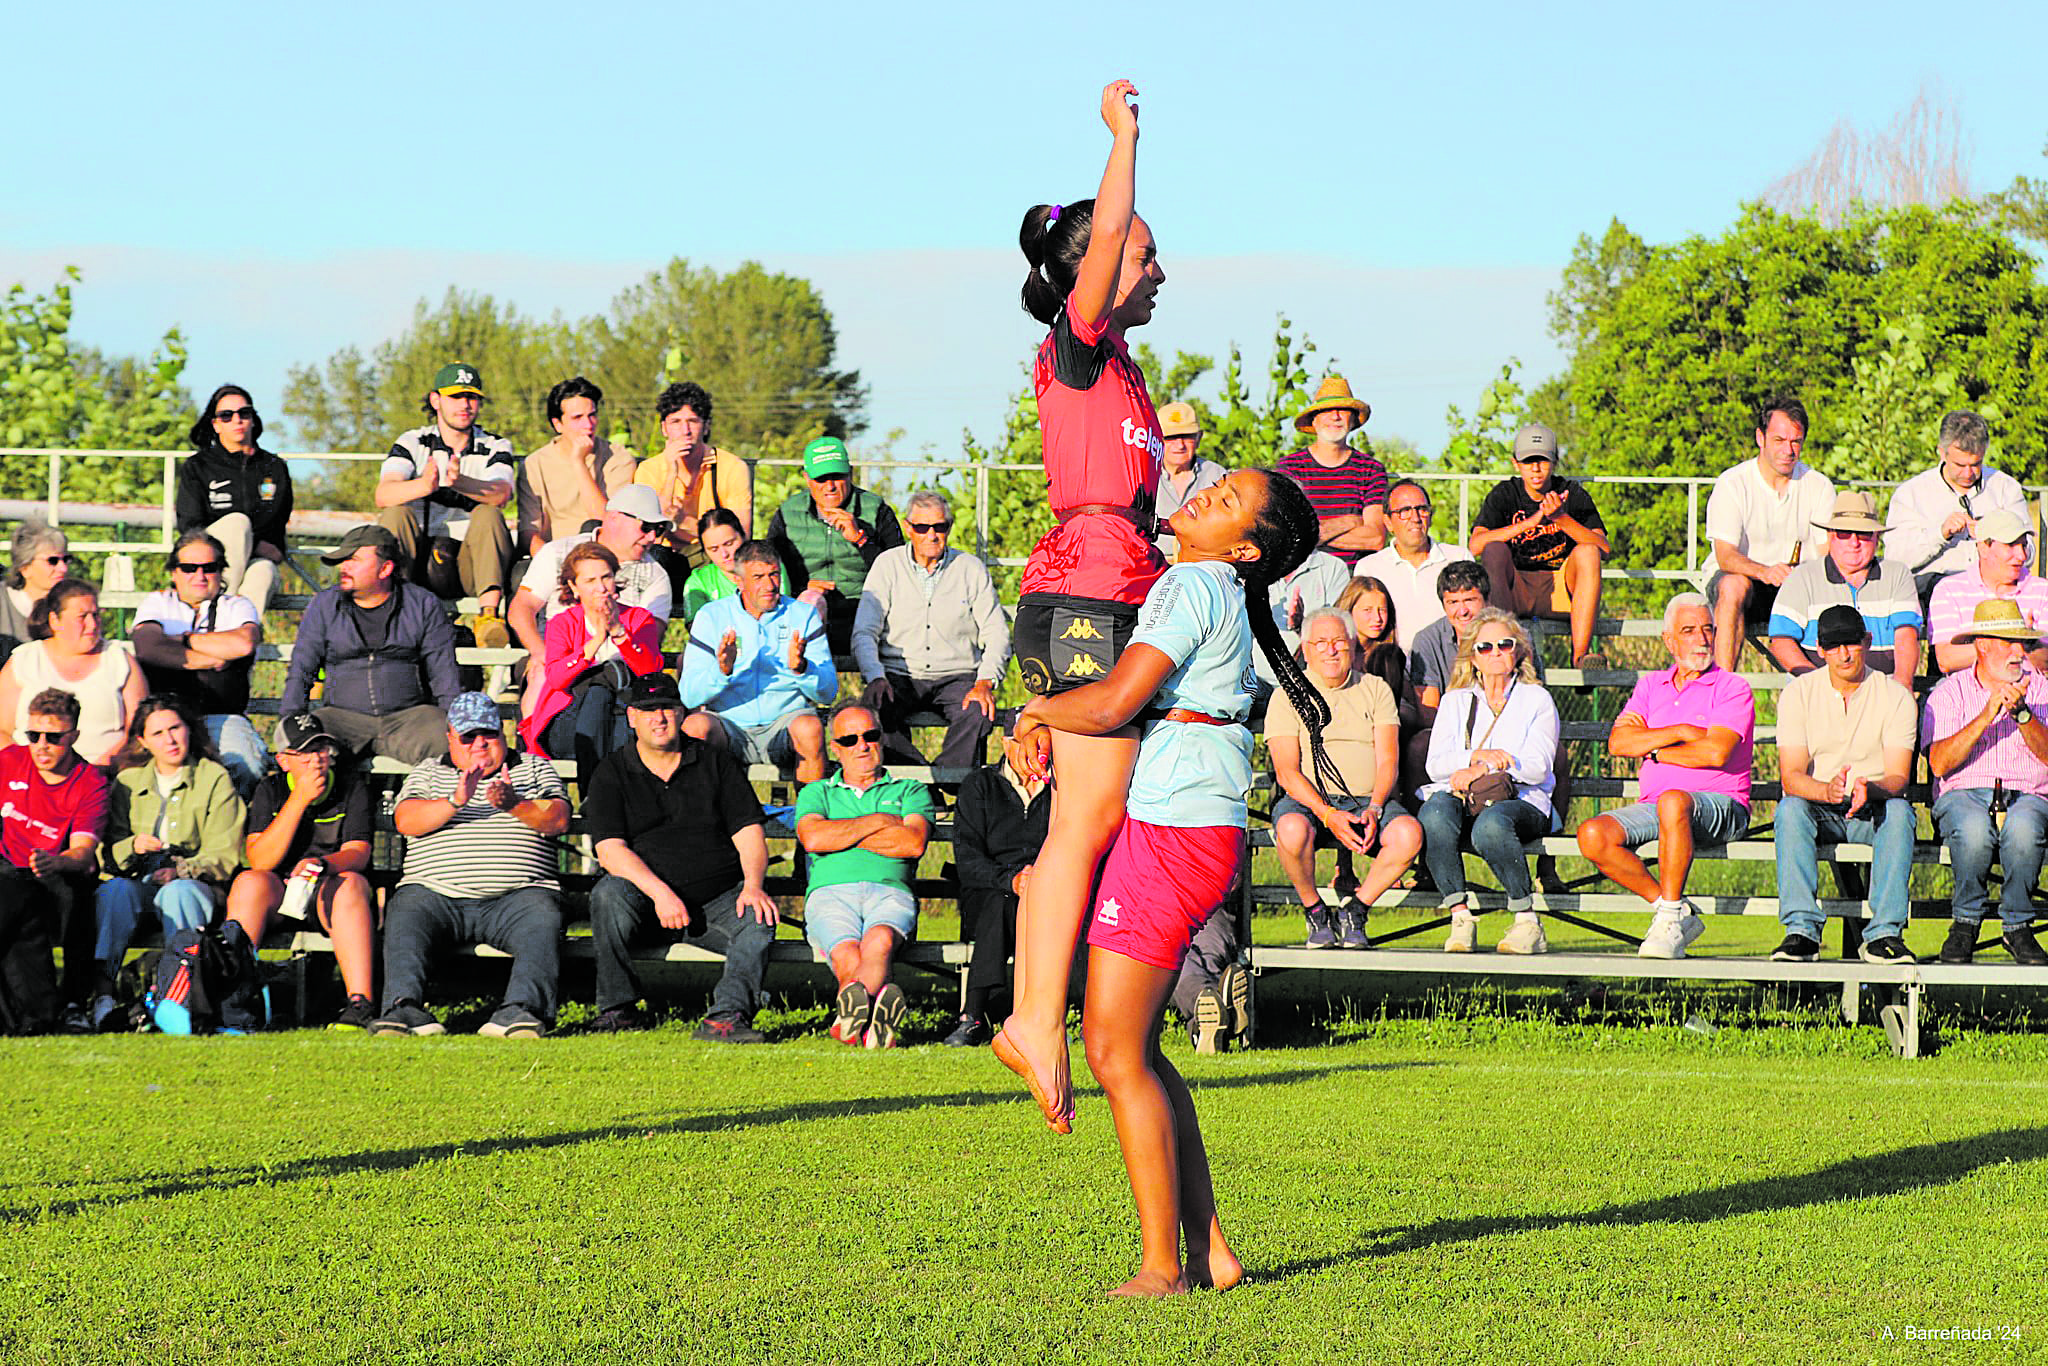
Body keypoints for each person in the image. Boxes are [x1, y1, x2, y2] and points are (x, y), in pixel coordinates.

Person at [1003, 462, 1326, 1297]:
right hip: (1192, 827)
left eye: (1229, 504)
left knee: (1112, 1052)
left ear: (1247, 549)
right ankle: (1211, 1250)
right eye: (1219, 486)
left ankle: (1160, 1268)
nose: (1208, 494)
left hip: (1174, 832)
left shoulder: (1192, 586)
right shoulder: (1208, 584)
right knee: (1137, 1050)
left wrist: (1035, 712)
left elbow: (1112, 703)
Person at [999, 79, 1171, 1142]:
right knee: (1083, 823)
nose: (1157, 268)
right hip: (1083, 595)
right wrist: (1124, 138)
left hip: (1112, 589)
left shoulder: (1123, 373)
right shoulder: (1078, 341)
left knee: (1092, 821)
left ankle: (1036, 1012)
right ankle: (1028, 1015)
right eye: (1145, 254)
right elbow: (1105, 229)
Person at [582, 673, 780, 1042]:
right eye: (648, 710)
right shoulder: (611, 772)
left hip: (716, 899)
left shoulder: (715, 763)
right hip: (643, 901)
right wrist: (660, 894)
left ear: (681, 713)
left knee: (758, 916)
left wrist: (753, 885)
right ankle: (617, 1009)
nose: (658, 718)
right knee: (607, 895)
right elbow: (610, 850)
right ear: (631, 717)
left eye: (667, 709)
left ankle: (726, 1017)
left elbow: (749, 831)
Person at [373, 692, 571, 1037]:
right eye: (468, 736)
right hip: (436, 896)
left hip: (518, 897)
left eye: (488, 734)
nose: (479, 743)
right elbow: (406, 820)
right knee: (405, 908)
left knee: (544, 913)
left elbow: (557, 820)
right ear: (450, 738)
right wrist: (455, 800)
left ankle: (521, 1011)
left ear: (503, 733)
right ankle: (403, 1009)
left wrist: (514, 805)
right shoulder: (429, 772)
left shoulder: (535, 767)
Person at [1574, 593, 1755, 958]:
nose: (1702, 639)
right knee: (1592, 835)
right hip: (1657, 807)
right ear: (1669, 640)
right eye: (1689, 631)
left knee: (1674, 800)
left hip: (1723, 805)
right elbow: (1619, 742)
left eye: (1708, 629)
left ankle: (1669, 918)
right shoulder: (1650, 685)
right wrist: (1683, 730)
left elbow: (1716, 752)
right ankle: (1672, 908)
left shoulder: (1732, 687)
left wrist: (1654, 749)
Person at [1771, 606, 1919, 965]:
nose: (1844, 654)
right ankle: (1801, 932)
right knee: (1789, 809)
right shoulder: (1799, 694)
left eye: (1851, 643)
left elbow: (1899, 776)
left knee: (1900, 812)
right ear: (1819, 650)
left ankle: (1884, 934)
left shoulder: (1895, 695)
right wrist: (1825, 790)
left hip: (1875, 808)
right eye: (1833, 646)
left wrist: (1872, 789)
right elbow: (1790, 776)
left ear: (1866, 642)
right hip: (1819, 807)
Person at [91, 695, 246, 1032]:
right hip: (138, 882)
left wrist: (182, 871)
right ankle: (101, 995)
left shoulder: (213, 778)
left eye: (175, 728)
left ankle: (181, 999)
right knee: (115, 892)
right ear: (143, 741)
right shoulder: (128, 782)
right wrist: (133, 845)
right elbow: (109, 852)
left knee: (179, 893)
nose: (170, 740)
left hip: (196, 884)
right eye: (158, 733)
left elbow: (227, 852)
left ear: (189, 729)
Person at [1269, 610, 1422, 948]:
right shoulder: (1287, 695)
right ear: (1306, 650)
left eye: (1339, 641)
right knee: (1291, 831)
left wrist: (1377, 807)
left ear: (1353, 646)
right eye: (1320, 643)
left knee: (1408, 835)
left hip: (1368, 799)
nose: (1330, 650)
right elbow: (1287, 772)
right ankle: (1314, 910)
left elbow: (1388, 760)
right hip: (1308, 801)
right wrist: (1327, 814)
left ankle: (1356, 909)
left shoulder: (1375, 688)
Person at [1417, 610, 1559, 954]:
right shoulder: (1455, 701)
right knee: (1434, 813)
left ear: (1518, 651)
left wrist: (1481, 768)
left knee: (1492, 826)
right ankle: (1460, 916)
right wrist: (1474, 759)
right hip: (1465, 797)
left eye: (1504, 644)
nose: (1495, 652)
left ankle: (1527, 921)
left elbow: (1538, 768)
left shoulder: (1536, 699)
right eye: (1485, 647)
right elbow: (1436, 765)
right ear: (1473, 657)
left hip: (1522, 799)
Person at [224, 714, 377, 1031]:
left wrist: (323, 865)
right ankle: (232, 997)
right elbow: (259, 859)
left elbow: (359, 852)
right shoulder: (272, 789)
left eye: (321, 749)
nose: (316, 760)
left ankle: (360, 1004)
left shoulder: (351, 787)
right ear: (283, 760)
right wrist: (299, 799)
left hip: (328, 888)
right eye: (304, 753)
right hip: (278, 892)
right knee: (249, 883)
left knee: (351, 885)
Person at [797, 703, 933, 1050]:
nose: (862, 745)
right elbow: (813, 838)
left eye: (870, 735)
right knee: (847, 955)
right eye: (850, 739)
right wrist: (878, 822)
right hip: (830, 893)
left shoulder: (910, 790)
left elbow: (913, 842)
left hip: (890, 891)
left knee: (880, 941)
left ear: (882, 739)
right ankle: (875, 1018)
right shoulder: (817, 792)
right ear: (835, 748)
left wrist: (842, 835)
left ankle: (847, 1025)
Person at [1922, 599, 2048, 967]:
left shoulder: (2041, 691)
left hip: (2028, 794)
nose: (2017, 653)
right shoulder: (1949, 693)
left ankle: (2018, 926)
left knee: (2024, 828)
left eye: (2021, 644)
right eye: (2007, 642)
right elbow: (1940, 763)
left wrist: (2023, 715)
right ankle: (1965, 923)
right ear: (1982, 645)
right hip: (1964, 794)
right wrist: (1986, 715)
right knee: (1974, 829)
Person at [853, 490, 1011, 782]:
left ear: (949, 527)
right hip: (899, 674)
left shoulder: (970, 569)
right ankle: (923, 784)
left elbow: (996, 631)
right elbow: (864, 630)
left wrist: (986, 680)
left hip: (958, 676)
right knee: (872, 712)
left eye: (940, 527)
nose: (932, 535)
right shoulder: (887, 566)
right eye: (922, 527)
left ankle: (937, 780)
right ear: (907, 528)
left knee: (979, 710)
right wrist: (875, 675)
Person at [280, 525, 460, 766]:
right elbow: (302, 668)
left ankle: (436, 803)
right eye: (343, 560)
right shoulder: (324, 604)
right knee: (309, 750)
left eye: (353, 560)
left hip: (410, 719)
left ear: (385, 568)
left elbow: (444, 674)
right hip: (340, 719)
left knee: (451, 744)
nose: (344, 567)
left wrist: (457, 726)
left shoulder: (423, 604)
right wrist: (291, 720)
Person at [374, 362, 517, 643]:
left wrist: (462, 483)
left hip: (470, 562)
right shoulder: (413, 441)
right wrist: (423, 486)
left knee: (488, 514)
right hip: (419, 559)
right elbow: (383, 494)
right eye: (456, 397)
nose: (465, 405)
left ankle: (488, 617)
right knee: (395, 514)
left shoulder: (496, 445)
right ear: (435, 400)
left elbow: (501, 493)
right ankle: (389, 612)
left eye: (472, 397)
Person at [679, 540, 834, 782]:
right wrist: (722, 671)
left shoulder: (803, 615)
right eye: (758, 577)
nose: (769, 585)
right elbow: (689, 695)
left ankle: (809, 815)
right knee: (694, 728)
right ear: (739, 581)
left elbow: (828, 693)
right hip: (729, 725)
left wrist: (802, 669)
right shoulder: (711, 616)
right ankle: (703, 818)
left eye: (774, 574)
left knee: (810, 727)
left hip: (786, 722)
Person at [129, 529, 269, 795]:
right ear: (174, 572)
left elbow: (243, 643)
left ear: (221, 571)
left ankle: (229, 832)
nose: (199, 576)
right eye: (189, 568)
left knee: (246, 763)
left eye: (209, 568)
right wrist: (211, 658)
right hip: (164, 716)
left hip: (221, 714)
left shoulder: (236, 606)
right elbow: (147, 647)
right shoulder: (158, 602)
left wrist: (179, 640)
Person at [0, 689, 107, 1035]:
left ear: (74, 736)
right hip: (6, 871)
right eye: (34, 735)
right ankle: (35, 1012)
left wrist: (54, 862)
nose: (42, 745)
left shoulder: (90, 783)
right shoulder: (9, 762)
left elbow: (83, 854)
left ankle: (73, 1002)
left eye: (54, 737)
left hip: (53, 875)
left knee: (73, 896)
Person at [1704, 394, 1837, 672]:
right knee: (1733, 585)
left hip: (1798, 588)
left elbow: (1829, 555)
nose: (1788, 450)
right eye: (1779, 440)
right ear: (1760, 438)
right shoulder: (1732, 483)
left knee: (1835, 588)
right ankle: (1720, 690)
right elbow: (1725, 556)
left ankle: (1827, 695)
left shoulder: (1819, 485)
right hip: (1744, 586)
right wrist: (1765, 571)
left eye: (1796, 441)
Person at [508, 484, 676, 699]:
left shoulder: (656, 576)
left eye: (659, 529)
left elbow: (650, 642)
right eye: (646, 527)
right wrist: (541, 654)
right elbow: (522, 607)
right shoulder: (558, 552)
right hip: (558, 660)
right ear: (614, 518)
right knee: (540, 675)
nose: (653, 537)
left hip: (620, 669)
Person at [516, 542, 665, 773]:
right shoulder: (563, 623)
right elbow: (557, 679)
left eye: (606, 577)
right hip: (570, 720)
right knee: (599, 690)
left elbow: (650, 671)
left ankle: (596, 798)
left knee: (621, 724)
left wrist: (618, 632)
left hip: (626, 712)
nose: (601, 587)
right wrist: (593, 644)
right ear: (574, 587)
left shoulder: (638, 619)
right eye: (590, 581)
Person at [1470, 424, 1610, 669]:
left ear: (1555, 462)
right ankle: (1504, 650)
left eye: (1543, 461)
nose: (1536, 469)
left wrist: (1560, 518)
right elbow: (1476, 545)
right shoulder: (1505, 494)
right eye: (1528, 461)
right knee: (1493, 549)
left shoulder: (1571, 493)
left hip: (1561, 591)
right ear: (1516, 463)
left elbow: (1605, 548)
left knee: (1588, 552)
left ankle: (1580, 657)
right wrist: (1532, 522)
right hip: (1516, 591)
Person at [945, 728, 1052, 1047]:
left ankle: (1037, 1018)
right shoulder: (979, 786)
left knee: (1041, 905)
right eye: (1025, 742)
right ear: (1007, 744)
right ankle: (975, 1015)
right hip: (987, 890)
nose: (1034, 751)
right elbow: (968, 860)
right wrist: (1012, 880)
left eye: (1042, 743)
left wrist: (1043, 878)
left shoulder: (1062, 788)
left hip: (1046, 887)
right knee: (1001, 903)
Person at [1765, 491, 1921, 691]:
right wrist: (1821, 686)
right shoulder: (1802, 577)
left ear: (1877, 538)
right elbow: (1781, 640)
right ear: (1830, 537)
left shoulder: (1898, 574)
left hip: (1883, 688)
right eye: (1844, 533)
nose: (1854, 542)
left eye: (1864, 534)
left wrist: (1902, 685)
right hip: (1816, 688)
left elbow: (1906, 633)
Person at [766, 436, 904, 654]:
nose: (829, 486)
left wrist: (860, 539)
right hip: (805, 614)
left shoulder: (877, 510)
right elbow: (770, 570)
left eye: (837, 476)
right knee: (808, 603)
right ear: (807, 478)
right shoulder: (787, 514)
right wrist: (803, 588)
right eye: (821, 478)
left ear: (850, 473)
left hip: (866, 612)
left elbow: (899, 572)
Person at [0, 579, 146, 768]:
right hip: (32, 778)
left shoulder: (120, 660)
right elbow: (1, 730)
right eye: (82, 616)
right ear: (55, 620)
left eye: (95, 615)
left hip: (107, 776)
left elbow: (139, 731)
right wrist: (31, 773)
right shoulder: (24, 660)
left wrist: (103, 767)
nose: (92, 624)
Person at [175, 384, 291, 615]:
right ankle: (209, 619)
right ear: (215, 424)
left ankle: (238, 641)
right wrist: (252, 542)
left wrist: (260, 546)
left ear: (253, 419)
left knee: (264, 573)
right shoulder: (198, 466)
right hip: (208, 565)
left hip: (258, 560)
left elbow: (276, 524)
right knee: (238, 524)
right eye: (226, 416)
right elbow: (190, 526)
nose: (237, 420)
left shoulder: (274, 467)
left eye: (244, 413)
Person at [1886, 411, 2025, 601]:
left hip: (1996, 593)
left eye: (1976, 464)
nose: (1968, 473)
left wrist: (1995, 536)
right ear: (1941, 452)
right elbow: (1895, 561)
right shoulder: (1910, 494)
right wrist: (1940, 535)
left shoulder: (2006, 489)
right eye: (1960, 464)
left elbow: (2029, 554)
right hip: (1931, 595)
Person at [636, 380, 755, 576]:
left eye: (692, 421)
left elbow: (741, 535)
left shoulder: (731, 467)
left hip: (715, 555)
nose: (685, 431)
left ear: (706, 426)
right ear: (664, 428)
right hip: (667, 556)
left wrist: (682, 520)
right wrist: (671, 473)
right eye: (676, 422)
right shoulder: (648, 470)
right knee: (654, 557)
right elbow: (650, 532)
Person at [517, 375, 639, 557]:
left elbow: (609, 522)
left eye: (592, 415)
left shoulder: (619, 458)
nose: (588, 425)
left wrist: (578, 463)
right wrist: (549, 563)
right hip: (554, 554)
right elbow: (529, 532)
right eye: (577, 418)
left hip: (605, 555)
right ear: (557, 424)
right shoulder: (535, 464)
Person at [1275, 376, 1387, 567]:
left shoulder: (1371, 470)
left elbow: (1375, 538)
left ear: (1352, 420)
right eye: (1326, 410)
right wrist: (1350, 521)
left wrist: (1311, 536)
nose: (1335, 416)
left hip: (1353, 580)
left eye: (1342, 410)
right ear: (1314, 420)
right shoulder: (1290, 469)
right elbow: (1286, 536)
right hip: (1302, 576)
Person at [1926, 510, 2048, 674]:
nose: (2022, 555)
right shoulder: (1949, 590)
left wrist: (2025, 644)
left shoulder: (2042, 591)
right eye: (2011, 545)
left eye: (2024, 545)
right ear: (1983, 547)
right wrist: (2015, 641)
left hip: (2030, 691)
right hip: (1967, 694)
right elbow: (1947, 659)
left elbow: (2045, 660)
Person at [1356, 479, 1471, 651]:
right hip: (1390, 667)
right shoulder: (1369, 568)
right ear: (1387, 522)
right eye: (1404, 511)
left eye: (1421, 509)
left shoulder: (1457, 558)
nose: (1415, 518)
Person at [680, 508, 789, 623]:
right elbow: (697, 630)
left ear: (743, 536)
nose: (724, 554)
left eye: (729, 544)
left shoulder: (770, 568)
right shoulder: (699, 582)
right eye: (714, 549)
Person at [1151, 401, 1226, 557]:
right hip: (1153, 567)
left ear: (1199, 437)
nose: (1180, 445)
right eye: (1170, 437)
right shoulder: (1144, 476)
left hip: (1204, 565)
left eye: (1187, 437)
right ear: (1156, 438)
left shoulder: (1218, 476)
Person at [0, 520, 70, 650]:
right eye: (53, 561)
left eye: (66, 559)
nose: (63, 568)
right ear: (25, 567)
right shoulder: (3, 602)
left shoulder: (73, 602)